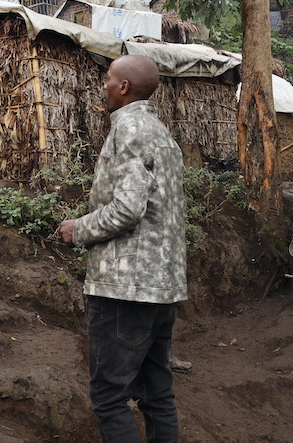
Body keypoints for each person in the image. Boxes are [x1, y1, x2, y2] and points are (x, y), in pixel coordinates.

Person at [56, 55, 187, 443]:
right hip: (161, 288)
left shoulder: (129, 128)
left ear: (124, 87)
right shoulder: (161, 132)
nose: (105, 85)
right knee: (156, 392)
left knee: (110, 397)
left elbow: (128, 209)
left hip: (125, 288)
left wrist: (78, 229)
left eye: (108, 79)